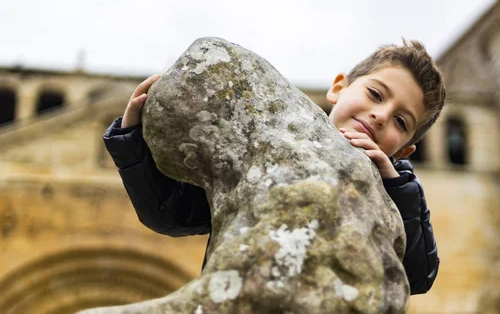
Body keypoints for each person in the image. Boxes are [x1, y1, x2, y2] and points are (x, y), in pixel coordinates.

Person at [103, 41, 445, 295]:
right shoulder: (264, 149)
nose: (381, 116)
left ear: (404, 149)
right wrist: (130, 138)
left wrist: (394, 183)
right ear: (338, 88)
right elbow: (170, 214)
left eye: (400, 121)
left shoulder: (400, 191)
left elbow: (419, 277)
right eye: (375, 94)